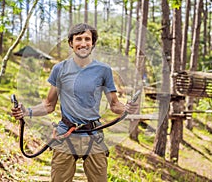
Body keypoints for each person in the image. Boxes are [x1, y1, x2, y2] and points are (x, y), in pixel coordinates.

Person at [11, 23, 138, 182]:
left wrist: (127, 108)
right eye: (78, 39)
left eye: (87, 39)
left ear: (93, 43)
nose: (83, 43)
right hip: (65, 135)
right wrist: (26, 111)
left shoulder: (103, 70)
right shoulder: (60, 69)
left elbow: (114, 105)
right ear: (71, 43)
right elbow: (49, 105)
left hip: (94, 135)